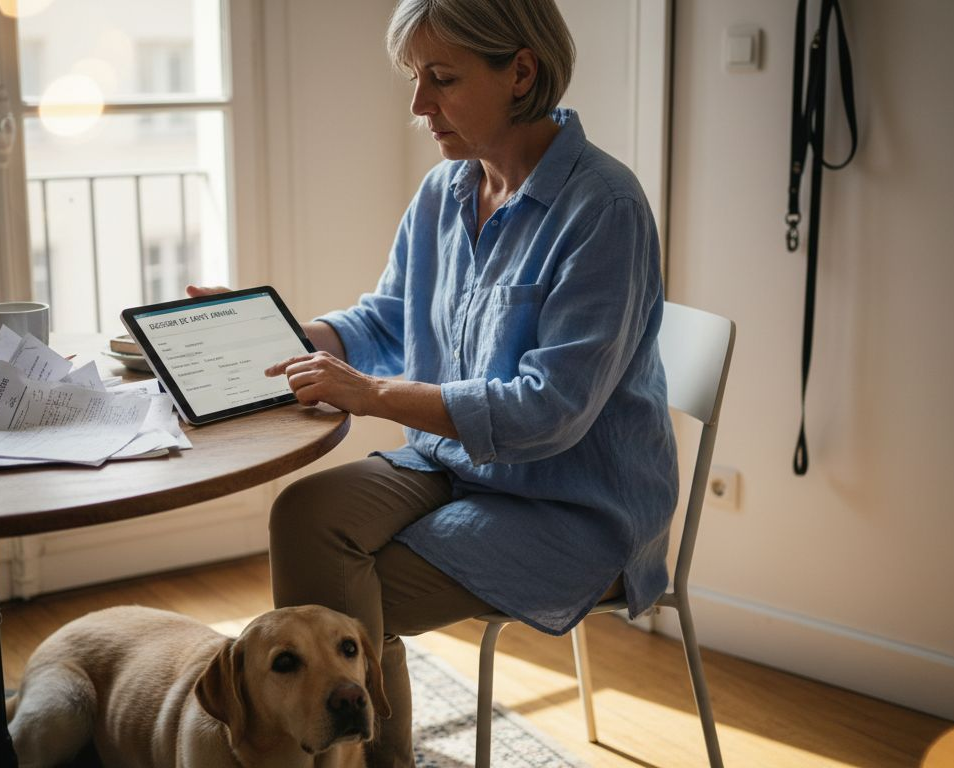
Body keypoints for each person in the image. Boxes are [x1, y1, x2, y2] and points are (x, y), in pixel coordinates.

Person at [188, 1, 678, 765]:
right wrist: (266, 334)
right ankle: (359, 749)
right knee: (305, 513)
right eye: (415, 78)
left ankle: (373, 759)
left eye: (442, 79)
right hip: (456, 466)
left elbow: (550, 410)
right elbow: (386, 319)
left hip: (574, 502)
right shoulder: (445, 192)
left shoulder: (603, 209)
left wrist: (372, 395)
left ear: (520, 71)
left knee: (352, 596)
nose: (419, 106)